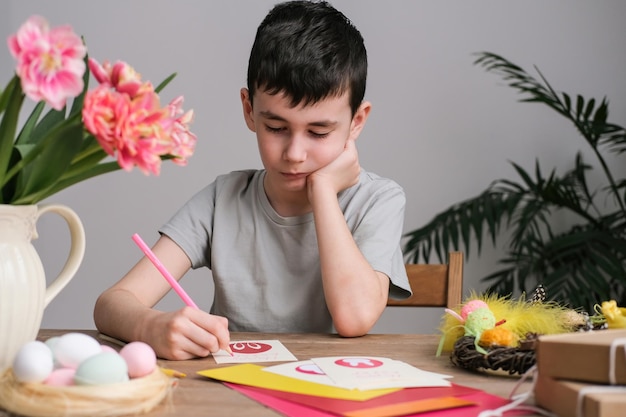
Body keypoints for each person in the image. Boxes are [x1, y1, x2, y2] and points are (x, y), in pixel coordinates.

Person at [94, 0, 411, 360]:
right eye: (276, 127)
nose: (294, 153)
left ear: (357, 121)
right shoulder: (222, 200)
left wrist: (323, 190)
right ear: (249, 110)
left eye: (319, 132)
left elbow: (354, 318)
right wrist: (149, 326)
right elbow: (111, 303)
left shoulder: (378, 199)